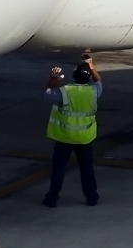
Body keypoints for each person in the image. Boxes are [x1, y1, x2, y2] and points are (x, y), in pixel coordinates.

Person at [43, 55, 102, 208]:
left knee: (59, 168)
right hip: (85, 137)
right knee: (87, 168)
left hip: (65, 136)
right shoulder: (94, 91)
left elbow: (47, 95)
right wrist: (92, 67)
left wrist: (53, 78)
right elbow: (99, 81)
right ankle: (92, 197)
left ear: (74, 76)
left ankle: (52, 198)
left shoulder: (64, 91)